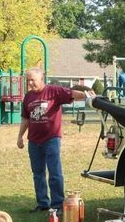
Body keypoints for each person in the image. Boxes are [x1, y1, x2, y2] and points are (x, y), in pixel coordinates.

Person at [16, 68, 94, 213]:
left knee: (54, 172)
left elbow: (71, 93)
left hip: (51, 139)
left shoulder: (54, 91)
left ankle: (57, 205)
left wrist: (86, 95)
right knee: (38, 173)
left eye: (32, 80)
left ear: (41, 79)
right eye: (28, 80)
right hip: (34, 141)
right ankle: (43, 203)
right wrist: (20, 136)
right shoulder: (28, 97)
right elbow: (26, 118)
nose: (30, 83)